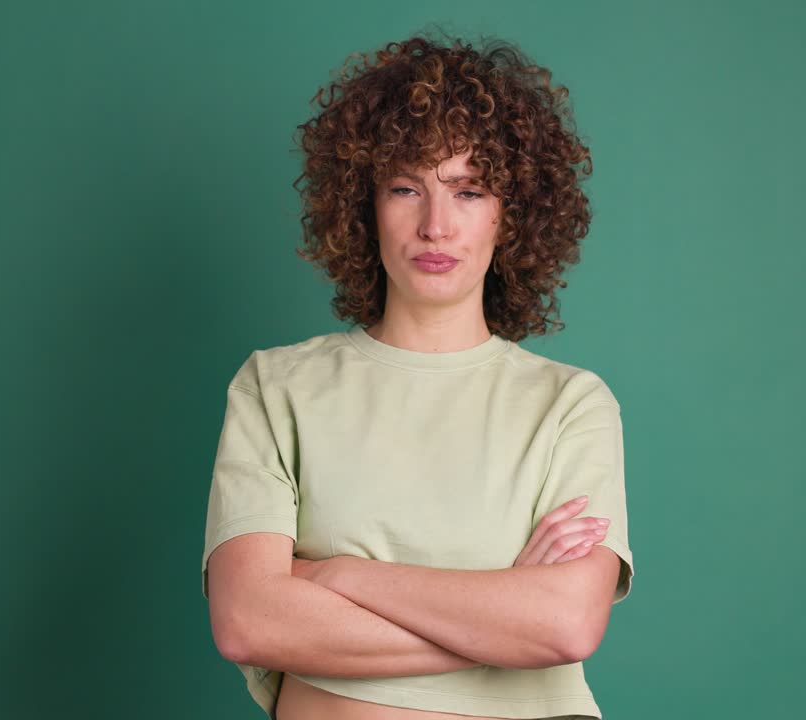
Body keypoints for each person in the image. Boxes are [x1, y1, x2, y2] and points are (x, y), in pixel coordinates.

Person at [201, 33, 635, 720]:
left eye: (469, 191)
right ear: (363, 206)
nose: (436, 225)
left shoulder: (570, 405)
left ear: (510, 213)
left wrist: (339, 576)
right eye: (406, 187)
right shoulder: (275, 388)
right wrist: (498, 613)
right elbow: (250, 622)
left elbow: (565, 625)